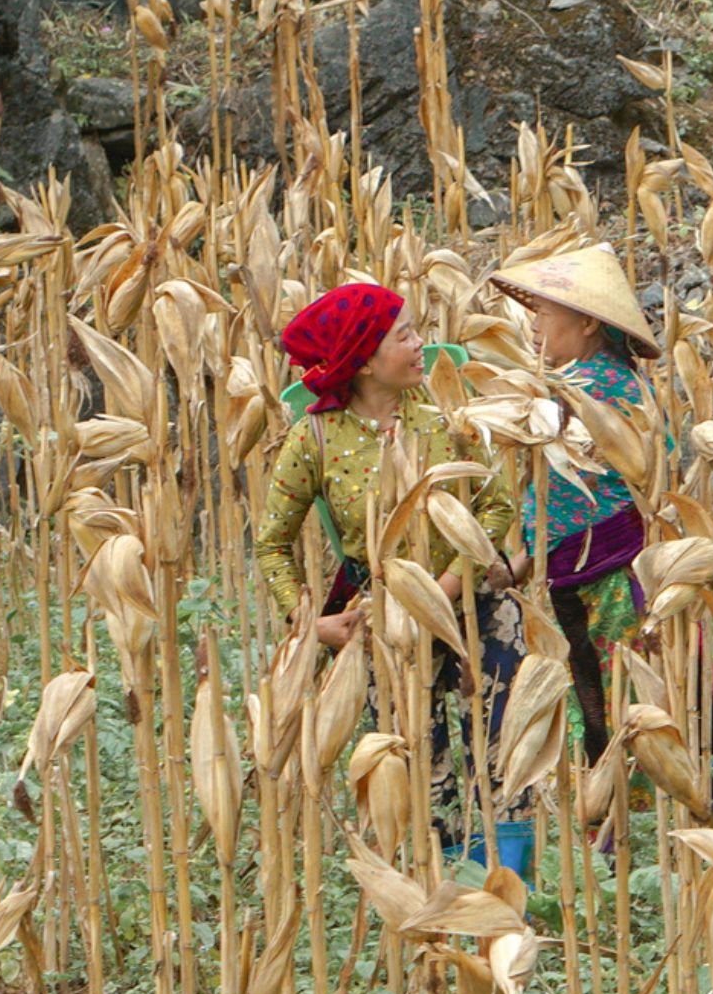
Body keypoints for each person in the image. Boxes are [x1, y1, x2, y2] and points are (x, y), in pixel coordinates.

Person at [254, 280, 510, 638]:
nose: (421, 343)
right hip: (377, 616)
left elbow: (497, 505)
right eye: (405, 336)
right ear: (363, 364)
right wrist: (305, 619)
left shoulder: (443, 409)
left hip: (472, 600)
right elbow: (272, 544)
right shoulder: (311, 439)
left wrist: (443, 591)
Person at [487, 245, 658, 760]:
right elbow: (557, 500)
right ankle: (617, 810)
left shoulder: (593, 386)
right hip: (583, 572)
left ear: (587, 322)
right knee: (602, 688)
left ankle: (627, 810)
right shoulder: (590, 383)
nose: (533, 326)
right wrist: (522, 562)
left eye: (542, 312)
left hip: (609, 577)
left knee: (613, 692)